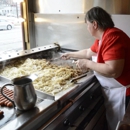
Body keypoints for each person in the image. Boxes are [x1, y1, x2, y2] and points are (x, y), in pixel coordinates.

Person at [61, 6, 130, 130]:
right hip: (115, 91)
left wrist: (87, 64)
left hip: (125, 94)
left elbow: (113, 71)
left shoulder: (112, 37)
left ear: (95, 24)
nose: (87, 28)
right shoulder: (102, 38)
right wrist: (69, 54)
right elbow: (88, 52)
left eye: (87, 25)